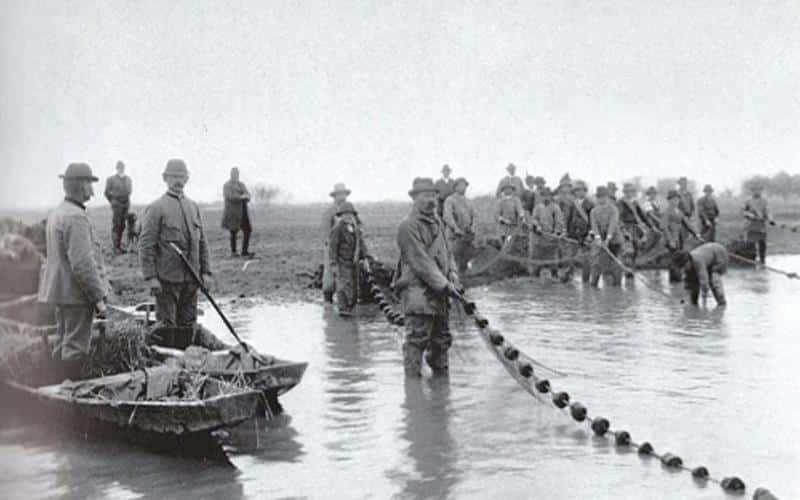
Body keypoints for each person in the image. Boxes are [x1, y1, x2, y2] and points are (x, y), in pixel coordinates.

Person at [38, 163, 108, 380]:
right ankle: (71, 394)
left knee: (62, 340)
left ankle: (57, 385)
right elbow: (82, 263)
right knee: (76, 347)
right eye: (90, 185)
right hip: (76, 294)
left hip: (59, 291)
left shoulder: (58, 212)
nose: (93, 191)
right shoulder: (76, 217)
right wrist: (98, 298)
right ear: (80, 186)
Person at [395, 177, 460, 377]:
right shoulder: (407, 226)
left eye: (433, 195)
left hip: (440, 291)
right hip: (418, 291)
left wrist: (454, 274)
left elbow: (447, 253)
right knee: (417, 339)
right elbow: (420, 260)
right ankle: (413, 389)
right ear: (415, 199)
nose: (430, 200)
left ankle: (441, 387)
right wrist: (445, 284)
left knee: (441, 339)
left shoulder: (438, 222)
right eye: (425, 196)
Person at [139, 159, 211, 337]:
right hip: (167, 282)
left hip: (191, 280)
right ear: (165, 178)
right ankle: (168, 364)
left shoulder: (193, 207)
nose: (178, 181)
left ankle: (187, 364)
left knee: (188, 327)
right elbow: (146, 245)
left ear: (187, 178)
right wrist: (151, 277)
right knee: (166, 328)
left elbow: (202, 243)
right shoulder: (156, 208)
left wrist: (206, 272)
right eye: (174, 177)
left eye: (182, 177)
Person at [328, 202, 368, 317]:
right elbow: (332, 248)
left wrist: (364, 258)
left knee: (354, 285)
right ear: (341, 216)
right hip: (342, 262)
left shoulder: (355, 228)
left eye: (350, 214)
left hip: (354, 262)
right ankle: (343, 309)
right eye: (345, 215)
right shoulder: (337, 229)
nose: (348, 217)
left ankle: (351, 306)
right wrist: (333, 264)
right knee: (343, 285)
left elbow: (361, 244)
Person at [322, 183, 352, 303]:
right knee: (330, 277)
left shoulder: (350, 210)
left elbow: (358, 226)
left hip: (347, 248)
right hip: (332, 247)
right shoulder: (330, 212)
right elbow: (326, 232)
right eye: (339, 195)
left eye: (344, 194)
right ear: (335, 196)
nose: (342, 197)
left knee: (346, 276)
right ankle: (328, 300)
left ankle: (345, 301)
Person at [673, 242, 728, 307]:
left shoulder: (697, 261)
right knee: (693, 285)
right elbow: (688, 286)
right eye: (681, 268)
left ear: (688, 261)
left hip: (719, 255)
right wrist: (684, 301)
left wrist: (704, 305)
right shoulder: (687, 266)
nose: (683, 269)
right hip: (707, 255)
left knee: (713, 279)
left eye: (684, 266)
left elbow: (704, 282)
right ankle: (694, 305)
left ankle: (721, 303)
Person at [588, 186, 622, 287]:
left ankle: (617, 287)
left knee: (615, 264)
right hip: (600, 240)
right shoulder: (593, 211)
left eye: (603, 197)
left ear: (607, 197)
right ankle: (593, 286)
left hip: (615, 240)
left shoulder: (614, 209)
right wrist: (598, 238)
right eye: (598, 197)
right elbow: (594, 225)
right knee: (596, 262)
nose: (601, 199)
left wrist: (608, 238)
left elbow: (613, 224)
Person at [663, 190, 700, 282]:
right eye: (673, 199)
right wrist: (670, 240)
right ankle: (674, 280)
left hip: (679, 238)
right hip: (671, 239)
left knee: (679, 257)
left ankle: (678, 278)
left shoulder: (679, 212)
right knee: (674, 258)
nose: (675, 201)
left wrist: (696, 233)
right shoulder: (667, 212)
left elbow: (687, 223)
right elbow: (664, 227)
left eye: (677, 199)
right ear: (669, 201)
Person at [617, 183, 653, 276]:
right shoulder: (621, 202)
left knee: (636, 248)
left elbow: (642, 215)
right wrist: (623, 229)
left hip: (635, 228)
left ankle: (632, 269)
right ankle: (627, 270)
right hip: (626, 227)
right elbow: (619, 217)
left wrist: (651, 226)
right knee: (628, 250)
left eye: (632, 191)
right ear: (625, 192)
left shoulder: (635, 202)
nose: (630, 193)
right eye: (628, 191)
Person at [442, 177, 477, 273]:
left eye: (465, 186)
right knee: (453, 257)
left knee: (466, 257)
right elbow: (447, 216)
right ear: (455, 187)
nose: (464, 188)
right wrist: (455, 228)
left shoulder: (469, 201)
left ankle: (464, 277)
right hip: (454, 236)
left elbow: (475, 216)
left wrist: (473, 227)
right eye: (461, 185)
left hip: (467, 236)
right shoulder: (450, 200)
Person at [529, 187, 564, 278]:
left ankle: (554, 277)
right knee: (536, 260)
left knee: (552, 260)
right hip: (539, 238)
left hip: (551, 239)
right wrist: (537, 226)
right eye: (543, 195)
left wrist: (556, 233)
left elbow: (559, 222)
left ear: (550, 196)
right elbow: (534, 219)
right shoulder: (538, 207)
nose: (545, 198)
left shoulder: (555, 208)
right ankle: (535, 277)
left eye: (547, 195)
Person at [565, 181, 594, 282]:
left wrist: (590, 235)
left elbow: (593, 221)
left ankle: (585, 280)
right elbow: (568, 219)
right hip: (573, 234)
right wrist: (566, 231)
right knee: (570, 257)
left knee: (586, 259)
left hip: (585, 235)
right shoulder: (572, 204)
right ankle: (569, 276)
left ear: (585, 191)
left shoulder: (590, 204)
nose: (579, 192)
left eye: (581, 190)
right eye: (576, 190)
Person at [221, 167, 254, 257]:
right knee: (233, 232)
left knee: (248, 230)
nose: (236, 175)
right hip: (233, 213)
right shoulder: (227, 185)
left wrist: (245, 196)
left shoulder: (241, 184)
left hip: (243, 212)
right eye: (234, 173)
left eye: (237, 174)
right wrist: (241, 197)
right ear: (231, 174)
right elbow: (229, 196)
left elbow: (248, 194)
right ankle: (234, 252)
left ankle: (244, 251)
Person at [104, 160, 133, 254]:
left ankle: (119, 246)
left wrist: (126, 203)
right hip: (117, 205)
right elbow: (107, 193)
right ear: (116, 168)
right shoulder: (111, 179)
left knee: (122, 225)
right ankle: (115, 247)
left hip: (125, 204)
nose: (121, 169)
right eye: (119, 167)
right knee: (116, 225)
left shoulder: (128, 179)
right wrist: (113, 202)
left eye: (122, 167)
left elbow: (129, 192)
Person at [743, 185, 775, 264]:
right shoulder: (748, 201)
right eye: (754, 190)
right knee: (750, 243)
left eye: (758, 190)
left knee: (762, 243)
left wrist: (771, 219)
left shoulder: (764, 201)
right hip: (751, 225)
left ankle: (762, 260)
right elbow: (744, 211)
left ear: (761, 191)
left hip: (761, 225)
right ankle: (751, 260)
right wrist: (750, 215)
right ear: (752, 191)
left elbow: (768, 211)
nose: (756, 192)